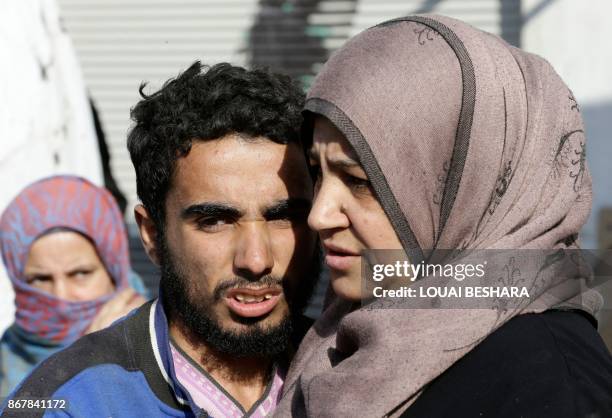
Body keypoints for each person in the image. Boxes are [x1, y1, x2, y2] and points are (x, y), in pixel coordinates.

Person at [275, 15, 612, 417]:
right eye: (318, 173)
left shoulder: (551, 384)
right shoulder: (350, 330)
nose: (320, 215)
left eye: (359, 180)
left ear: (470, 185)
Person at [1, 62, 319, 418]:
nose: (256, 259)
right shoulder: (68, 402)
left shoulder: (352, 369)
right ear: (152, 235)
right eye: (215, 221)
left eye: (283, 217)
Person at [0, 176, 147, 398]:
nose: (61, 297)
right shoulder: (7, 361)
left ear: (114, 270)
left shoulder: (172, 348)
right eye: (40, 279)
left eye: (80, 274)